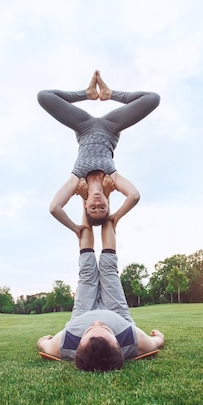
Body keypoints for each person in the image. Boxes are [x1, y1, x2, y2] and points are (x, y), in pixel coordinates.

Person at [38, 71, 160, 235]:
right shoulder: (112, 178)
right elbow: (134, 196)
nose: (97, 203)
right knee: (152, 99)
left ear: (85, 204)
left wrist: (75, 229)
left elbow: (54, 208)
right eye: (102, 207)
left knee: (44, 96)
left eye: (93, 208)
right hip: (111, 128)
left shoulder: (77, 180)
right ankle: (109, 94)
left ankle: (87, 93)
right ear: (107, 203)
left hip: (83, 127)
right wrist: (116, 216)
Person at [36, 216, 165, 371]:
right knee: (109, 269)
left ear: (78, 345)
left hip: (82, 314)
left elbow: (43, 344)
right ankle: (106, 204)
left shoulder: (63, 345)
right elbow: (158, 341)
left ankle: (86, 203)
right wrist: (158, 335)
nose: (97, 322)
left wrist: (44, 340)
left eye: (89, 329)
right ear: (119, 344)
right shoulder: (136, 341)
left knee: (87, 272)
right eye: (106, 328)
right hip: (118, 314)